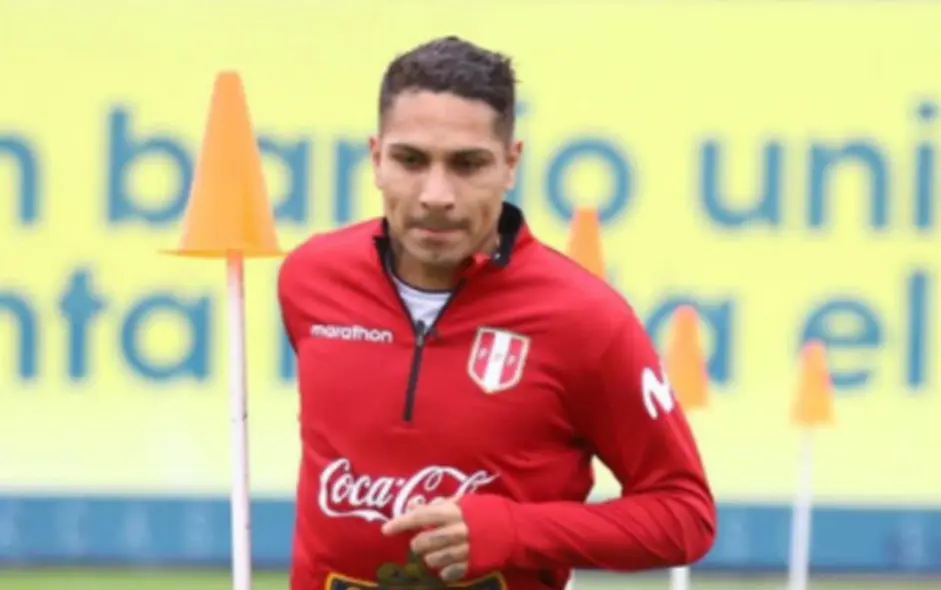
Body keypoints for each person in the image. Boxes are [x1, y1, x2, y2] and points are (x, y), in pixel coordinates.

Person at [277, 35, 716, 590]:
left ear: (511, 164)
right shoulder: (310, 280)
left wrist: (514, 530)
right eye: (411, 160)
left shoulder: (587, 319)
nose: (436, 194)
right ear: (375, 158)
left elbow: (684, 516)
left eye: (468, 164)